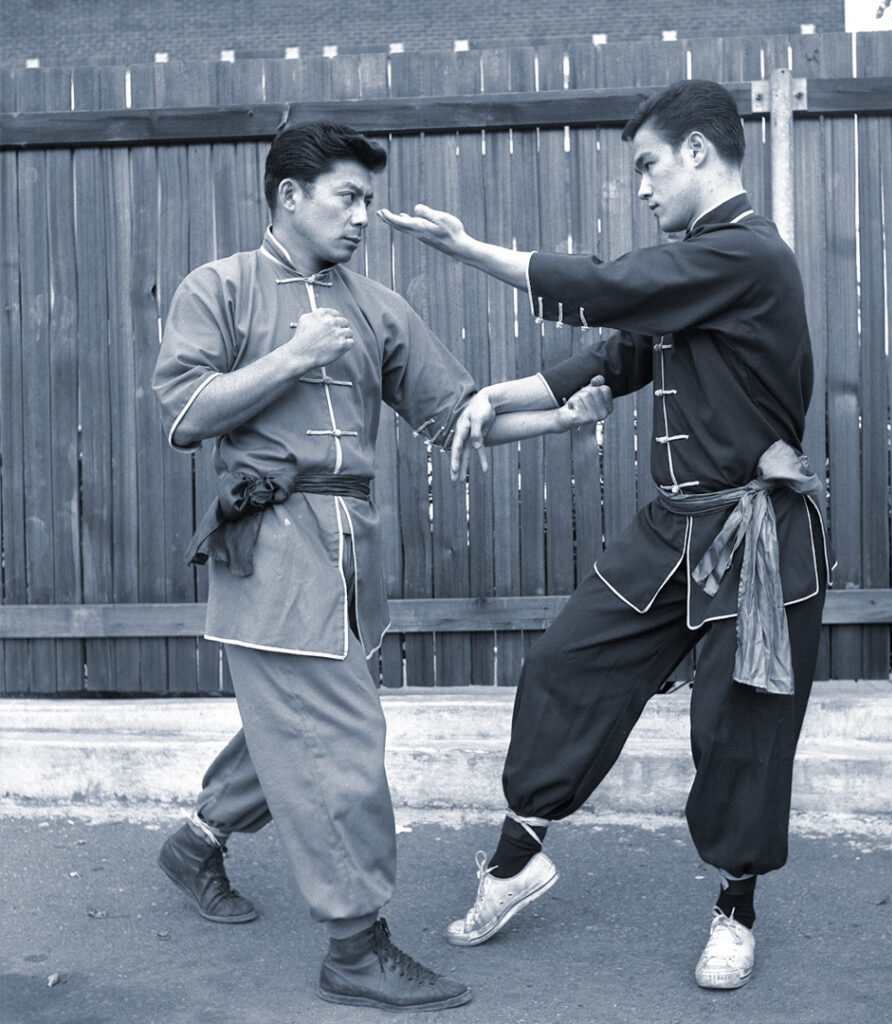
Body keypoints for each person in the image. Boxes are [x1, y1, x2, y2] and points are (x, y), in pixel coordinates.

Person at [379, 78, 832, 991]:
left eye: (649, 165)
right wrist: (483, 400)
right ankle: (517, 861)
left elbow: (608, 287)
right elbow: (605, 357)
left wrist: (470, 251)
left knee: (739, 731)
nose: (642, 187)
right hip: (673, 530)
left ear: (699, 152)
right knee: (565, 666)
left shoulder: (747, 255)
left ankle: (736, 910)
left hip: (755, 536)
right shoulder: (695, 274)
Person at [151, 120, 612, 1013]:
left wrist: (560, 419)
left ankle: (199, 839)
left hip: (354, 551)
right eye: (346, 196)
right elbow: (183, 414)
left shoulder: (378, 305)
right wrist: (293, 356)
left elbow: (457, 414)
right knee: (343, 743)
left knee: (299, 723)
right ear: (289, 195)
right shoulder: (220, 288)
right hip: (273, 548)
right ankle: (354, 948)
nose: (363, 214)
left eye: (369, 198)